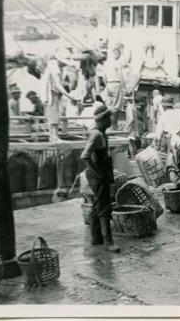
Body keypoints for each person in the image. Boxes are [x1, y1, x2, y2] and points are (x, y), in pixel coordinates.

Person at [80, 105, 120, 253]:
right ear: (102, 120)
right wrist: (97, 173)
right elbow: (85, 156)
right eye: (108, 118)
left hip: (100, 173)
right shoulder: (97, 135)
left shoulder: (101, 133)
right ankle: (108, 243)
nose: (111, 120)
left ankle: (96, 237)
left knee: (97, 205)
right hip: (98, 175)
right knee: (104, 208)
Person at [43, 48, 77, 142]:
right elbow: (57, 85)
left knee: (54, 113)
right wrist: (69, 96)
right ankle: (54, 136)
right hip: (52, 92)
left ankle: (53, 135)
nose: (65, 64)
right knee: (54, 114)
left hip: (53, 92)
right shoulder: (55, 68)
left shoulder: (53, 64)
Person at [102, 45, 125, 130]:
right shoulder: (118, 63)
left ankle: (107, 127)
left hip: (108, 83)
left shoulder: (106, 63)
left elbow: (104, 76)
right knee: (116, 107)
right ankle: (113, 127)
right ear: (118, 54)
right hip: (116, 83)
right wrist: (124, 87)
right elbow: (120, 75)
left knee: (108, 106)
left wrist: (106, 85)